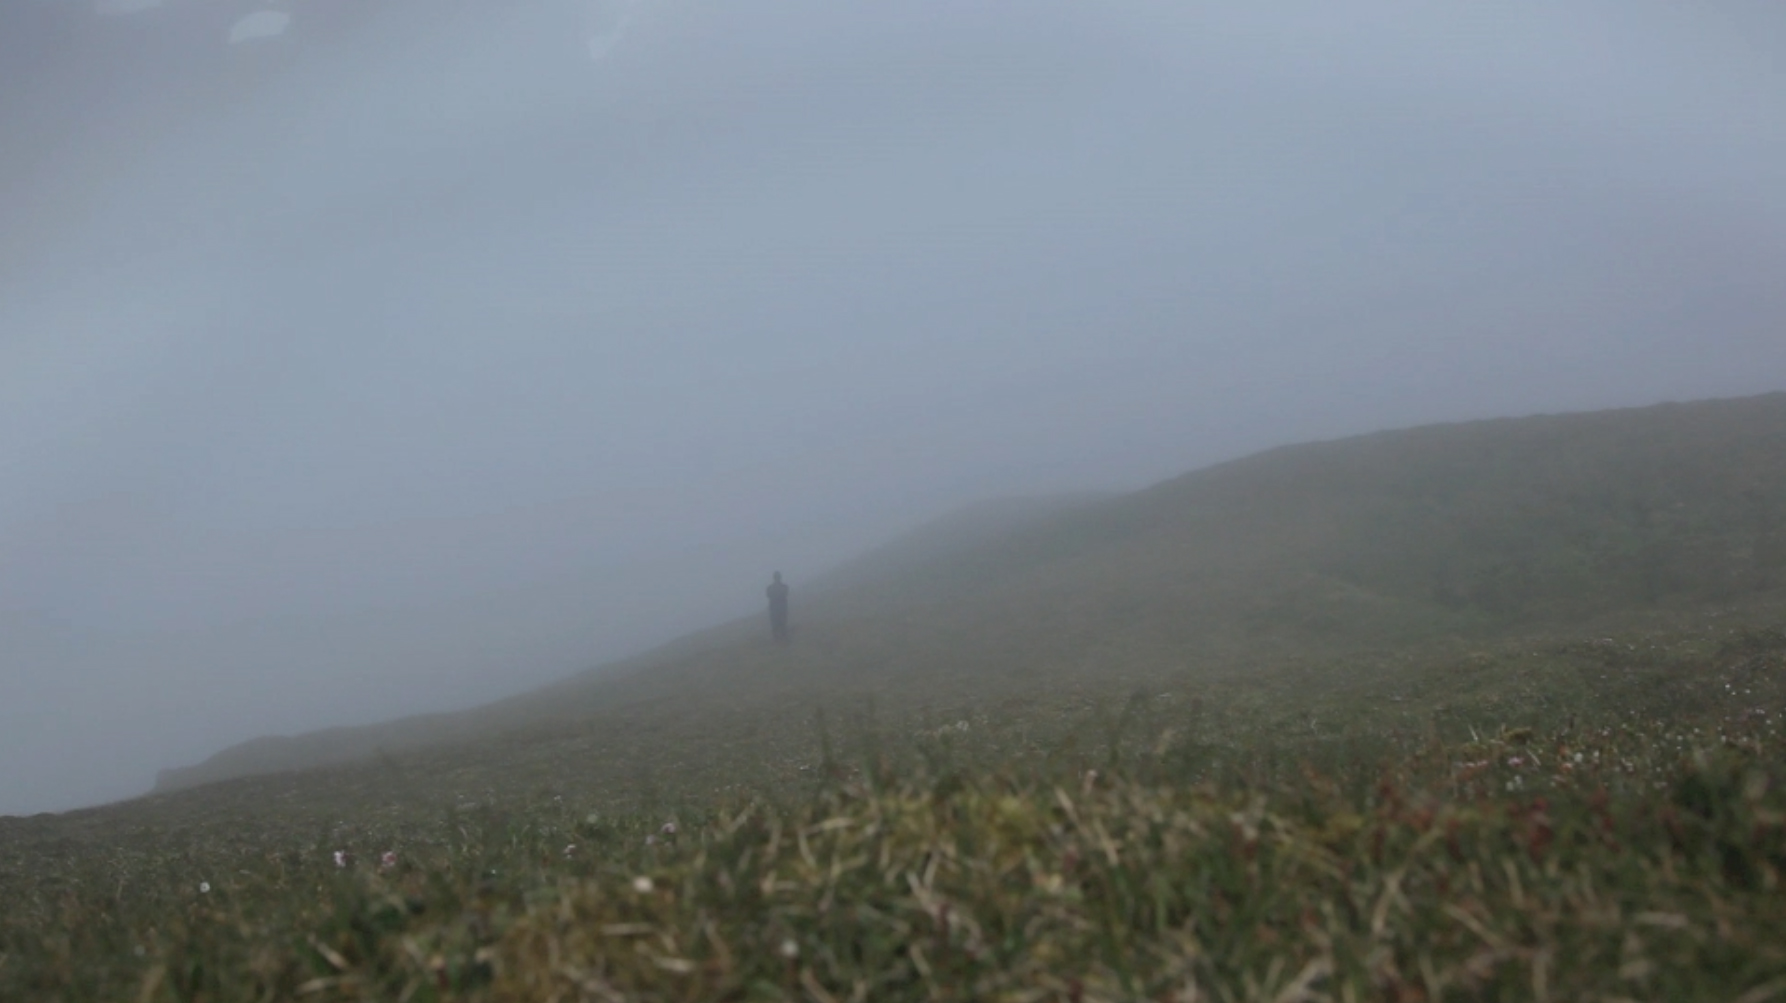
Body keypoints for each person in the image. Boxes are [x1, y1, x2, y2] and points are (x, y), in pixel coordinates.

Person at [765, 571, 790, 643]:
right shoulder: (784, 587)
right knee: (781, 623)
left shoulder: (769, 588)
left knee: (776, 624)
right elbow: (785, 594)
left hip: (775, 608)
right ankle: (782, 638)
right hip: (781, 608)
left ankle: (777, 639)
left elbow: (768, 595)